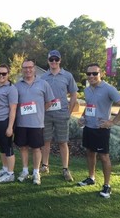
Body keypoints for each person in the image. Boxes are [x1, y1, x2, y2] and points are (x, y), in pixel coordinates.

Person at [77, 63, 120, 198]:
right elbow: (89, 106)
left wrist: (112, 122)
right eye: (89, 74)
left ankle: (107, 186)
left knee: (104, 157)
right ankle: (91, 178)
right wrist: (83, 117)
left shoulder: (108, 89)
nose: (91, 76)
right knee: (89, 152)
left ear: (101, 74)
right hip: (89, 127)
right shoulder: (87, 90)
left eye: (95, 73)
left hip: (101, 129)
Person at [14, 59, 54, 185]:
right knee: (23, 147)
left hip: (36, 123)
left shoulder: (43, 84)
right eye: (25, 67)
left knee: (36, 148)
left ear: (34, 68)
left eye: (30, 67)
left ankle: (36, 172)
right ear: (22, 69)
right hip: (21, 123)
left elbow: (49, 101)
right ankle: (25, 171)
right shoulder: (17, 85)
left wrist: (40, 111)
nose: (28, 70)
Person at [40, 50, 78, 181]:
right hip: (47, 113)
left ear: (60, 60)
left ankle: (65, 169)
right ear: (48, 61)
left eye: (56, 59)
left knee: (63, 141)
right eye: (51, 60)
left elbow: (74, 94)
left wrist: (69, 111)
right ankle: (45, 165)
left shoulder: (67, 76)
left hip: (62, 113)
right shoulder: (43, 77)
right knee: (46, 141)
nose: (54, 62)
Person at [0, 64, 18, 183]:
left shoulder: (11, 89)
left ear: (8, 75)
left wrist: (10, 127)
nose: (1, 76)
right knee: (1, 147)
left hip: (5, 121)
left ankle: (10, 173)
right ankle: (5, 168)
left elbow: (13, 109)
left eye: (4, 74)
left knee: (8, 147)